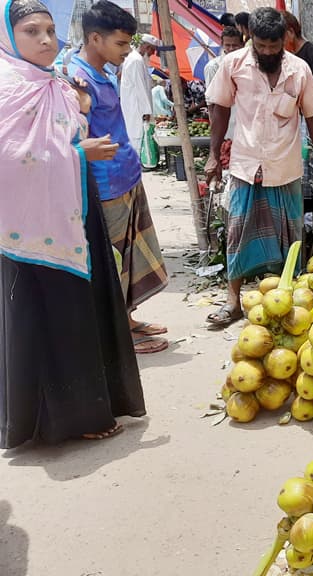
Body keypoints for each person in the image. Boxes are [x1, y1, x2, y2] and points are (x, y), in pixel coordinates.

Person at [1, 0, 146, 448]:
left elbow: (65, 131)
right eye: (30, 31)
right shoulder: (8, 87)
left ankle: (92, 405)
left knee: (84, 309)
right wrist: (79, 153)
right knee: (47, 315)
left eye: (49, 29)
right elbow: (10, 159)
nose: (45, 40)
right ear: (8, 36)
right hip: (28, 227)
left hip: (74, 210)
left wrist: (77, 141)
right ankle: (58, 421)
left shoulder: (52, 82)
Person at [204, 7, 313, 327]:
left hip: (285, 165)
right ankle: (233, 302)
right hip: (247, 164)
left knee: (290, 237)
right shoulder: (233, 65)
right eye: (261, 46)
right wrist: (213, 154)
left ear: (283, 41)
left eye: (273, 47)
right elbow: (219, 109)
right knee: (237, 233)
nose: (267, 52)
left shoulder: (299, 69)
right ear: (252, 39)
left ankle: (288, 303)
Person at [68, 0, 169, 354]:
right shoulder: (76, 80)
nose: (127, 51)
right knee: (111, 263)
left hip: (125, 175)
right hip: (105, 184)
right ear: (95, 38)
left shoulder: (105, 72)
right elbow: (73, 136)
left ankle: (126, 320)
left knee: (128, 258)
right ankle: (116, 338)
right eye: (121, 44)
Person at [204, 25, 244, 175]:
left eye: (235, 45)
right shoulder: (213, 67)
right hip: (226, 127)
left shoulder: (247, 66)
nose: (231, 48)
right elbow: (212, 103)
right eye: (228, 45)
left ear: (241, 45)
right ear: (222, 44)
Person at [120, 33, 161, 153]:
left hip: (135, 106)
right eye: (152, 50)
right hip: (136, 108)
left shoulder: (137, 59)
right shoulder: (136, 60)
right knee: (137, 137)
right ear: (147, 47)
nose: (153, 54)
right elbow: (140, 88)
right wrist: (146, 111)